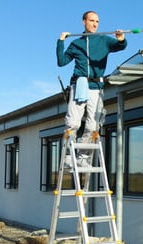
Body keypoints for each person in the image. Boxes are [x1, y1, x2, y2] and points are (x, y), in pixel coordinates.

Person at [56, 11, 127, 167]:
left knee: (93, 125)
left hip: (96, 87)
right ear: (84, 22)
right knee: (73, 123)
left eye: (97, 21)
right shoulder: (76, 44)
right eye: (92, 20)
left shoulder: (104, 41)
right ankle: (68, 156)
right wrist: (61, 41)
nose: (95, 24)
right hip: (79, 85)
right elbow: (61, 62)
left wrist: (121, 39)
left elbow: (120, 46)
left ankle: (83, 157)